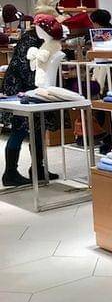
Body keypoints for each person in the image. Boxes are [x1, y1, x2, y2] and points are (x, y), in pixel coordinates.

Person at [1, 27, 59, 186]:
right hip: (20, 87)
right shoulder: (32, 40)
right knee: (19, 129)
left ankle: (38, 168)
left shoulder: (40, 39)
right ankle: (10, 173)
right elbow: (25, 67)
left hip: (32, 86)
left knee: (39, 127)